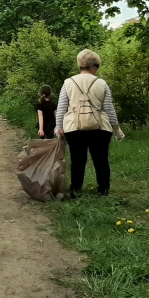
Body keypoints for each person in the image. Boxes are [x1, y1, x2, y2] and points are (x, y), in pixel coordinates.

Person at [55, 49, 125, 198]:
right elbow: (109, 108)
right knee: (101, 160)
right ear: (93, 66)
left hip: (74, 128)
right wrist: (117, 129)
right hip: (100, 128)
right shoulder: (101, 83)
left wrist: (59, 127)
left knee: (77, 160)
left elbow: (61, 107)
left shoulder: (68, 83)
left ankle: (75, 191)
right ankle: (103, 191)